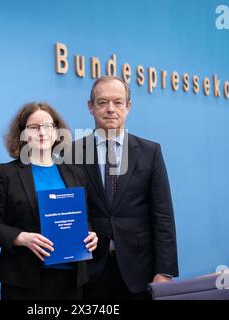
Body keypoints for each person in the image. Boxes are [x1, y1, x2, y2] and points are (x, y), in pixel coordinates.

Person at [71, 76, 178, 299]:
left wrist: (164, 272)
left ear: (128, 107)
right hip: (90, 272)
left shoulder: (150, 152)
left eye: (118, 102)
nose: (110, 109)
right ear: (90, 107)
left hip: (140, 271)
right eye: (102, 102)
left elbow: (163, 216)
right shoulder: (71, 153)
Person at [0, 102, 98, 300]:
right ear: (22, 134)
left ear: (56, 132)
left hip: (71, 279)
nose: (42, 132)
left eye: (48, 126)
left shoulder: (75, 174)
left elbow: (83, 219)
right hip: (24, 281)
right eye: (33, 127)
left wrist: (90, 235)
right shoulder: (6, 173)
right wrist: (21, 238)